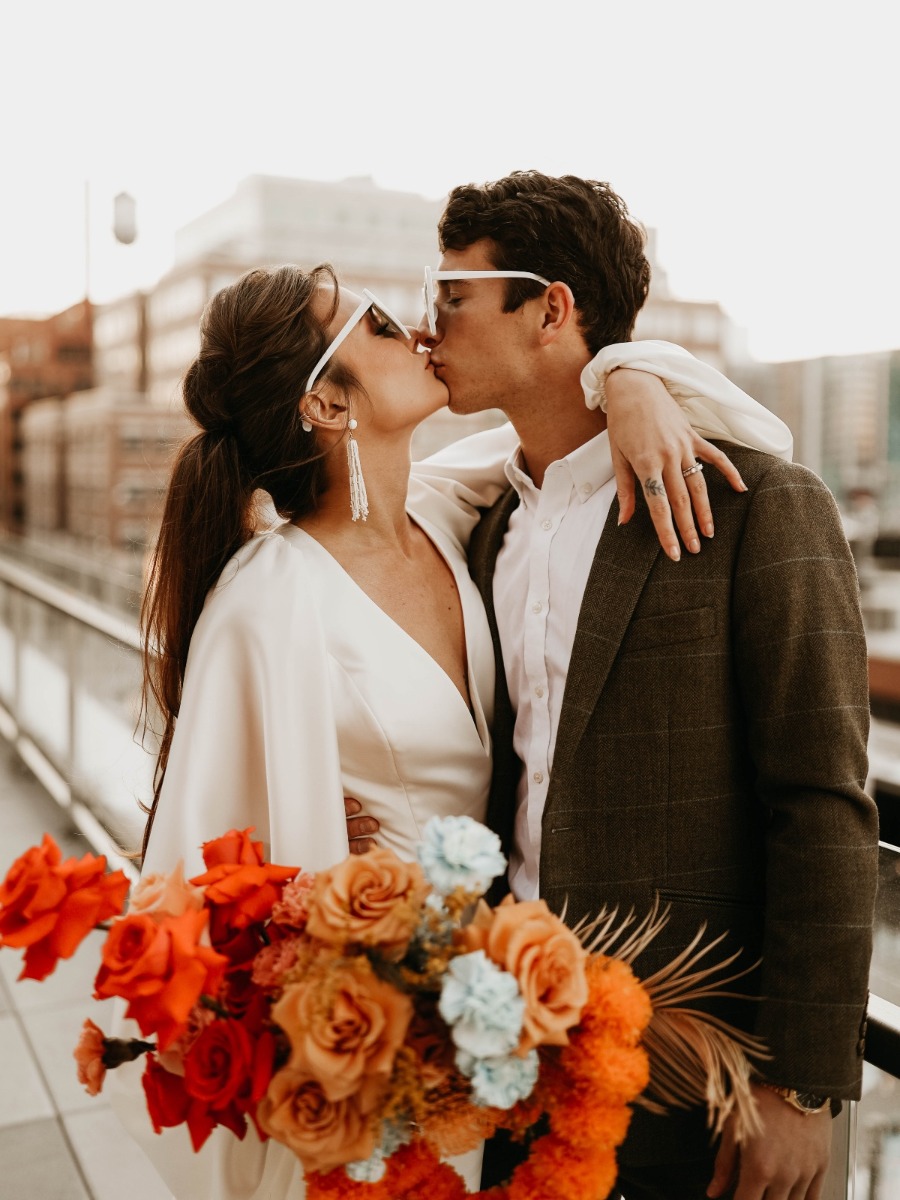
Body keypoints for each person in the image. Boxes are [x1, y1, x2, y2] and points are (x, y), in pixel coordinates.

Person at [113, 260, 777, 1199]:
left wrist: (628, 377)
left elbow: (588, 429)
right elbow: (196, 868)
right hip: (374, 1029)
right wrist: (317, 894)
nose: (418, 331)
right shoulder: (267, 600)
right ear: (329, 406)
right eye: (380, 325)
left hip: (491, 1028)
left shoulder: (440, 511)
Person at [409, 171, 879, 1200]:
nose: (424, 325)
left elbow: (823, 802)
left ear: (551, 311)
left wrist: (801, 1087)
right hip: (509, 1064)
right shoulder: (485, 526)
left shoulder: (761, 508)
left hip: (690, 1086)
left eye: (452, 296)